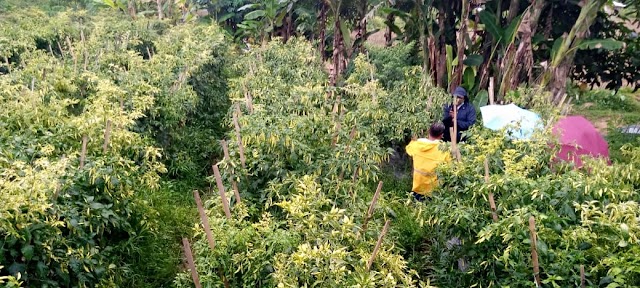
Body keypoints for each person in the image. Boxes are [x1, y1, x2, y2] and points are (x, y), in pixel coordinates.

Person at [405, 122, 452, 201]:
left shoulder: (417, 145)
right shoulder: (444, 150)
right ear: (441, 135)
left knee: (417, 206)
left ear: (429, 131)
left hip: (418, 184)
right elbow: (450, 166)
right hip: (433, 188)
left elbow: (408, 148)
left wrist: (414, 140)